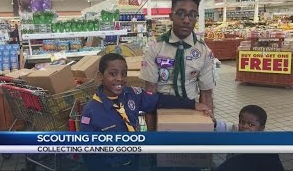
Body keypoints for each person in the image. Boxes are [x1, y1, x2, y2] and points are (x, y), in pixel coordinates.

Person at [80, 53, 211, 171]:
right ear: (100, 76)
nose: (120, 78)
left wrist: (193, 104)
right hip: (111, 166)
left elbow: (160, 100)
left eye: (124, 73)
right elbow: (88, 153)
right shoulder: (91, 112)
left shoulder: (131, 94)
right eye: (113, 74)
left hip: (135, 161)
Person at [139, 0, 216, 131]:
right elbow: (150, 92)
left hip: (193, 113)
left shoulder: (204, 52)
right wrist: (151, 135)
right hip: (161, 113)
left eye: (192, 14)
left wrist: (209, 127)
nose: (186, 20)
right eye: (181, 13)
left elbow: (206, 94)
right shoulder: (155, 48)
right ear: (171, 16)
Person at [215, 105, 285, 171]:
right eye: (242, 122)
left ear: (261, 128)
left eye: (251, 124)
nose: (244, 126)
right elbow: (223, 127)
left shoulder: (265, 146)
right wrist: (214, 122)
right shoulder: (235, 132)